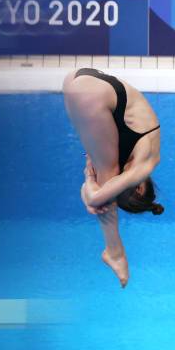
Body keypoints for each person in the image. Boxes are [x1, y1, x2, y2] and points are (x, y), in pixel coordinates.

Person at [63, 68, 164, 288]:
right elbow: (96, 197)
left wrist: (91, 189)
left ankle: (115, 253)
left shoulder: (119, 154)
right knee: (106, 175)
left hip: (78, 80)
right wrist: (92, 192)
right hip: (91, 93)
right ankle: (115, 252)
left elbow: (90, 170)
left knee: (104, 173)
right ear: (138, 188)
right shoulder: (147, 162)